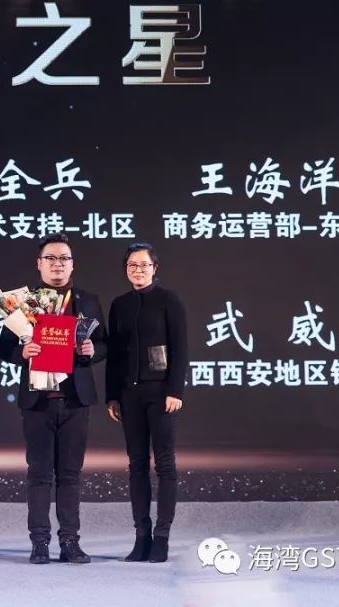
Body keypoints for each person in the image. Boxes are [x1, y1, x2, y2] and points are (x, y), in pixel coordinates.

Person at [0, 232, 107, 565]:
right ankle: (39, 542)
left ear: (72, 264)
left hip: (75, 400)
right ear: (39, 264)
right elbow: (2, 347)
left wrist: (92, 350)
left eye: (64, 258)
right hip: (38, 401)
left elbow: (105, 344)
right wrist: (22, 352)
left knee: (70, 474)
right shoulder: (24, 302)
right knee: (40, 473)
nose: (58, 264)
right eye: (51, 258)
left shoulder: (88, 300)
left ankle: (70, 541)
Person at [105, 242, 188, 564]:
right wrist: (113, 394)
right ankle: (142, 536)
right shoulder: (120, 304)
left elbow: (180, 349)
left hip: (161, 394)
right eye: (132, 265)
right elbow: (114, 355)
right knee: (136, 465)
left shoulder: (169, 300)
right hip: (130, 394)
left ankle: (162, 537)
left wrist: (175, 390)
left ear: (155, 268)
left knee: (165, 464)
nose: (137, 270)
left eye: (143, 265)